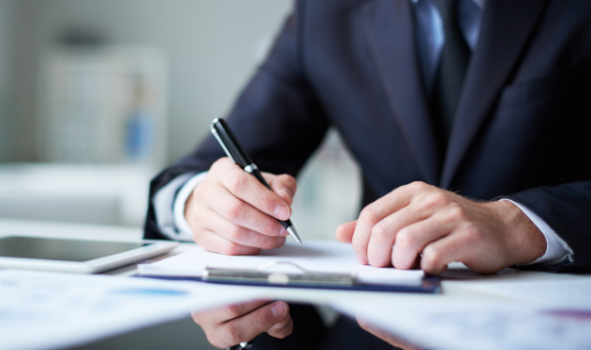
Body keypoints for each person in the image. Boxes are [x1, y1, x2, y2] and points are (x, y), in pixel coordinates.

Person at [145, 0, 591, 347]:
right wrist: (201, 202)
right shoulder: (325, 14)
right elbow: (190, 175)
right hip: (371, 332)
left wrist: (516, 225)